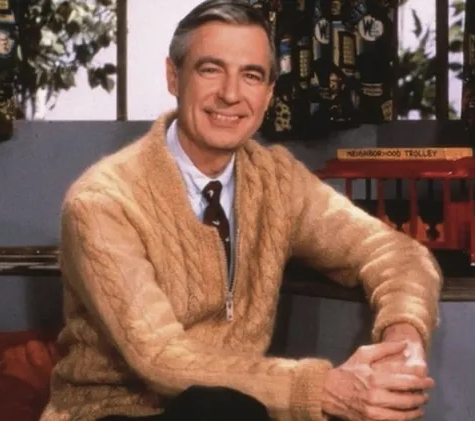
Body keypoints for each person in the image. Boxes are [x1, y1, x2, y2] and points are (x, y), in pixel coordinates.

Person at [39, 1, 443, 420]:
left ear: (268, 94)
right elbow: (160, 358)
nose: (231, 94)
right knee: (217, 408)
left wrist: (402, 341)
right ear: (174, 77)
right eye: (210, 69)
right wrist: (324, 388)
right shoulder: (102, 200)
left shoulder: (276, 180)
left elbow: (397, 253)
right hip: (111, 412)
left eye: (251, 76)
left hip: (235, 407)